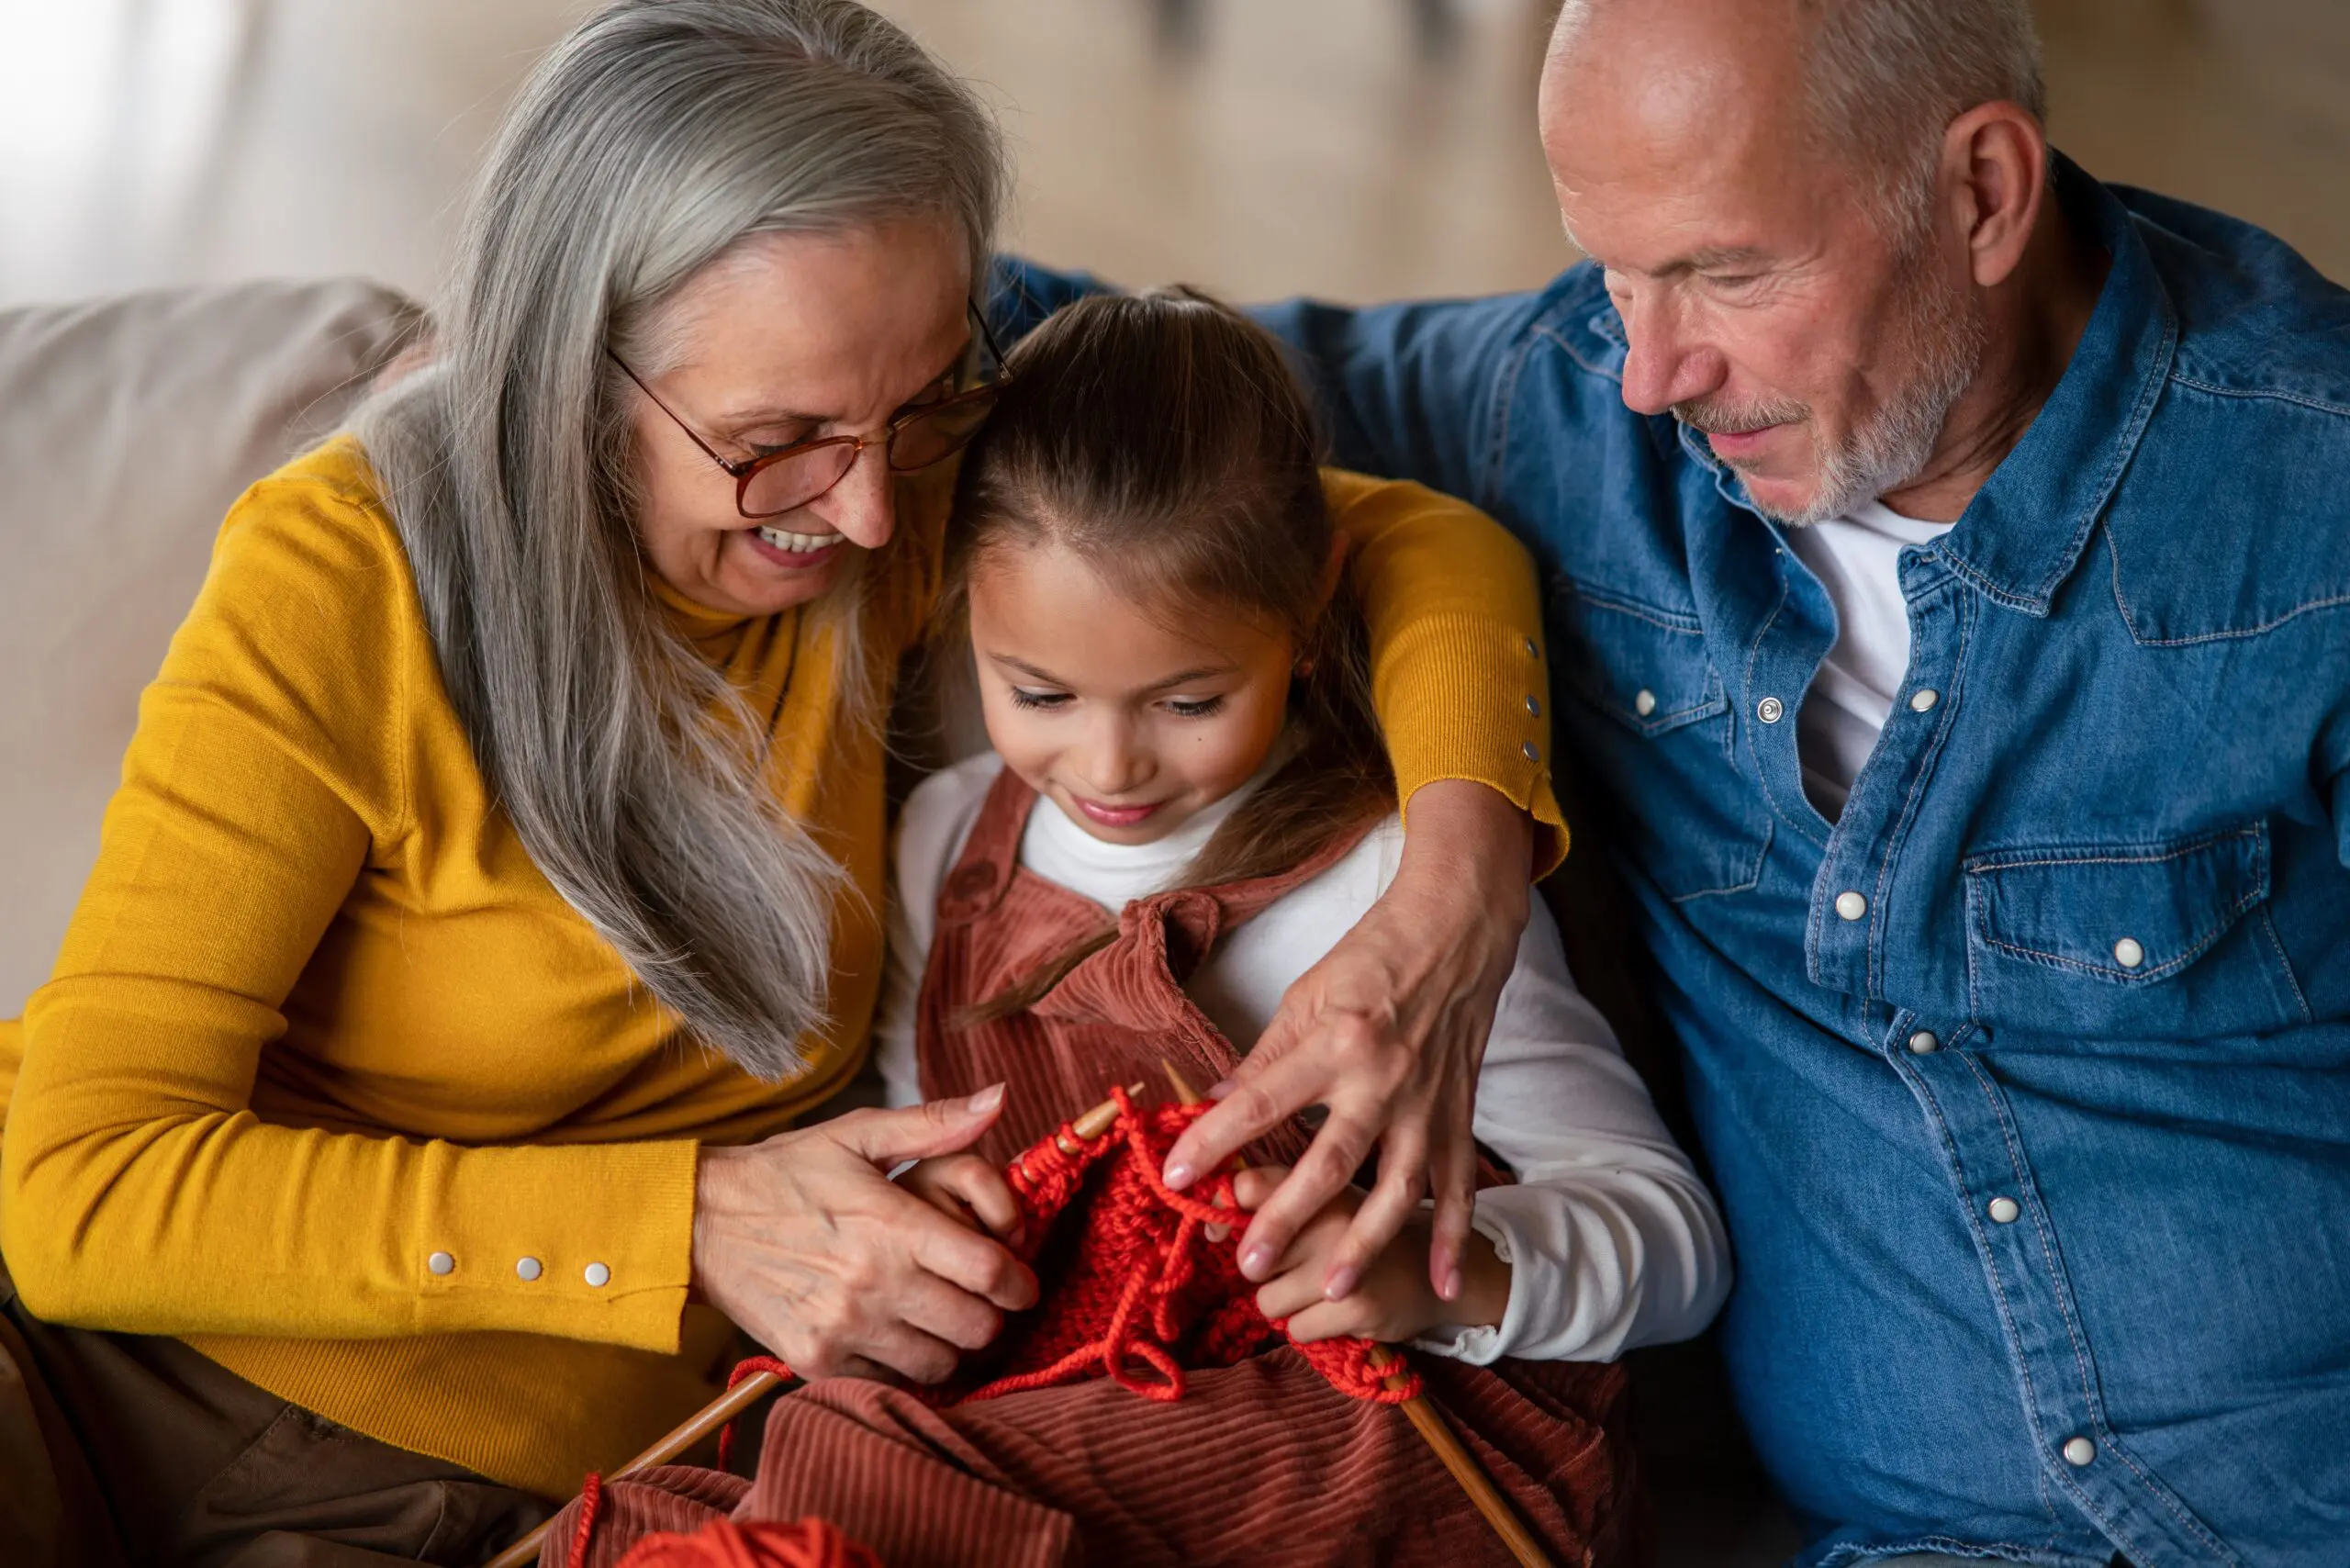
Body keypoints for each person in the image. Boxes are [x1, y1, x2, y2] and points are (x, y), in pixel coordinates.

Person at [0, 5, 1572, 1563]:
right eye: (781, 438)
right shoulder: (345, 577)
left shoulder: (894, 491)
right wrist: (683, 1224)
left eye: (920, 406)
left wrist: (1455, 894)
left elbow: (1411, 543)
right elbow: (80, 1195)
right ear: (570, 370)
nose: (877, 514)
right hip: (85, 1362)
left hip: (510, 1497)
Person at [1002, 0, 2350, 1562]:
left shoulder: (2306, 503)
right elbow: (1089, 373)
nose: (1655, 373)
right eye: (1614, 269)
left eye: (1725, 271)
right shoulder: (1578, 408)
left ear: (1983, 190)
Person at [848, 288, 1726, 1561]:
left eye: (1190, 700)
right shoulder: (943, 839)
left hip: (1391, 1454)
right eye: (1036, 691)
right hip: (1054, 1414)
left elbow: (1673, 1237)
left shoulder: (1392, 880)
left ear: (1310, 611)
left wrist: (1448, 1277)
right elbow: (902, 1118)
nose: (1110, 762)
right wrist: (925, 1211)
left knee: (878, 1488)